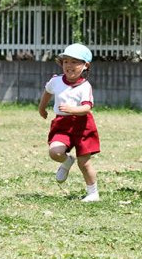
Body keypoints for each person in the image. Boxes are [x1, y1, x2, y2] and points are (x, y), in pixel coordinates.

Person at [38, 43, 101, 202]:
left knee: (84, 163)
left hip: (82, 126)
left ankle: (93, 193)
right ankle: (67, 162)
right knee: (55, 152)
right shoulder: (56, 81)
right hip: (62, 124)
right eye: (66, 61)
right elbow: (47, 92)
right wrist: (42, 108)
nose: (69, 65)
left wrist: (72, 109)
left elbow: (87, 108)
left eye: (75, 62)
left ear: (85, 65)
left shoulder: (85, 86)